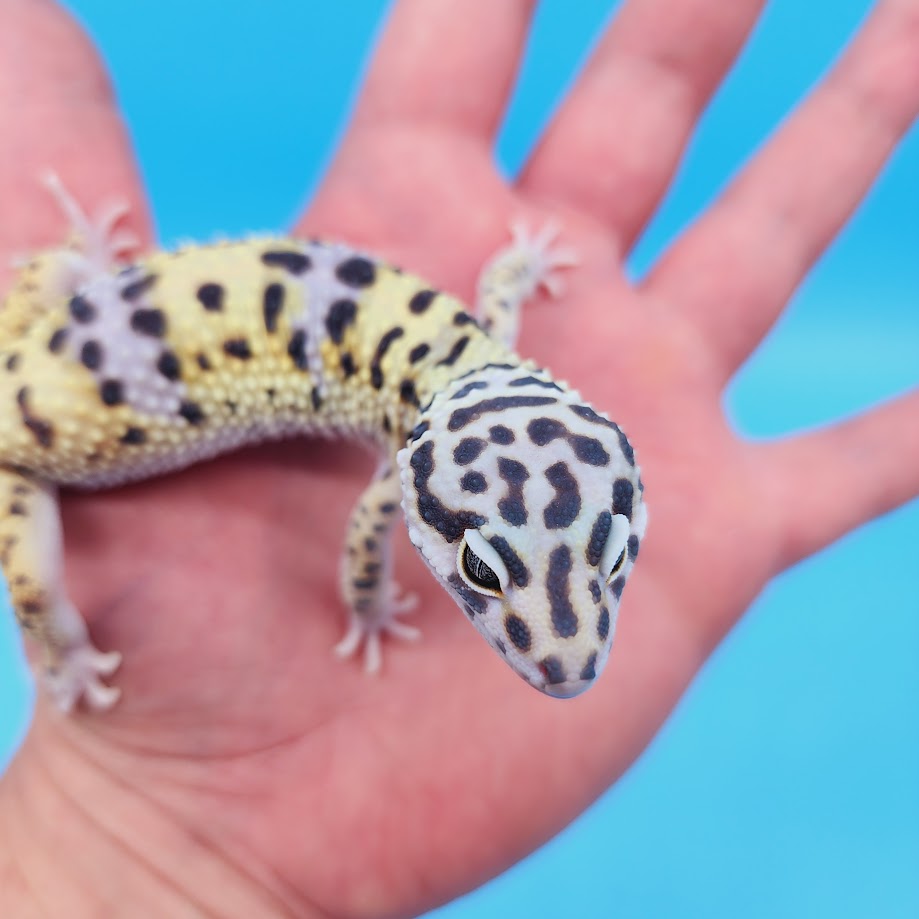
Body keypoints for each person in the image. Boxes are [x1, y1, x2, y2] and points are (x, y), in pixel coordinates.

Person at [1, 0, 916, 915]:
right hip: (41, 440)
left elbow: (500, 303)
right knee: (39, 584)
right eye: (483, 572)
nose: (561, 645)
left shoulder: (480, 347)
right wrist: (361, 604)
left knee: (67, 288)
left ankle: (70, 279)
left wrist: (518, 265)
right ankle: (57, 638)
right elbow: (370, 533)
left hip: (78, 331)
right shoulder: (439, 420)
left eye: (605, 555)